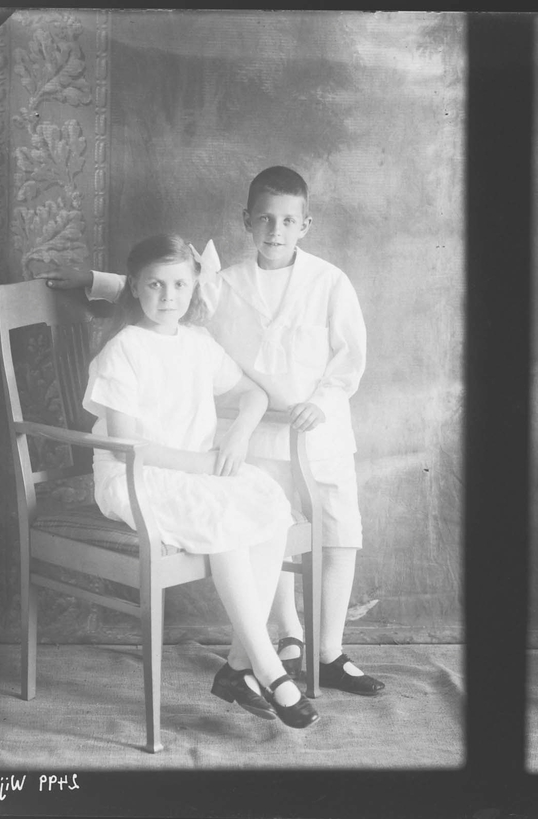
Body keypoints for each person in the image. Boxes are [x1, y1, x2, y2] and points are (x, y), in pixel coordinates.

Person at [42, 167, 384, 696]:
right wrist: (93, 281)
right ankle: (287, 637)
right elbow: (163, 287)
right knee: (271, 521)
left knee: (338, 533)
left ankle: (328, 652)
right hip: (249, 439)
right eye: (265, 219)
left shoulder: (329, 281)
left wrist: (323, 399)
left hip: (316, 427)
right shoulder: (223, 283)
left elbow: (350, 355)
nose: (275, 230)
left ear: (305, 225)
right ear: (247, 222)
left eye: (288, 220)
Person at [83, 233, 320, 729]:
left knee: (268, 502)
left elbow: (252, 394)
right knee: (225, 517)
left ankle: (238, 665)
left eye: (178, 285)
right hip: (136, 477)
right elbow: (129, 447)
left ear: (193, 288)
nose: (168, 296)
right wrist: (204, 465)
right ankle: (267, 668)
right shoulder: (123, 349)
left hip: (198, 470)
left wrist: (237, 437)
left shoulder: (197, 343)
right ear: (135, 287)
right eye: (155, 285)